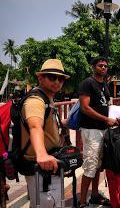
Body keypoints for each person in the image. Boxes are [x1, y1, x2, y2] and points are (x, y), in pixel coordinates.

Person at [22, 59, 70, 207]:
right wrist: (41, 154)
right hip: (40, 164)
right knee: (47, 204)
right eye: (52, 77)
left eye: (60, 78)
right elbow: (35, 127)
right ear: (40, 78)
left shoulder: (47, 98)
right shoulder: (35, 100)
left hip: (50, 162)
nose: (57, 81)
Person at [78, 56, 118, 207]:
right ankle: (82, 201)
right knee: (90, 165)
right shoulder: (87, 83)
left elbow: (105, 105)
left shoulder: (104, 85)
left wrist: (113, 117)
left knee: (99, 165)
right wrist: (105, 119)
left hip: (103, 129)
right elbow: (85, 107)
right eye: (100, 65)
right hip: (91, 130)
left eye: (105, 66)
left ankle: (94, 195)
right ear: (93, 67)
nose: (103, 68)